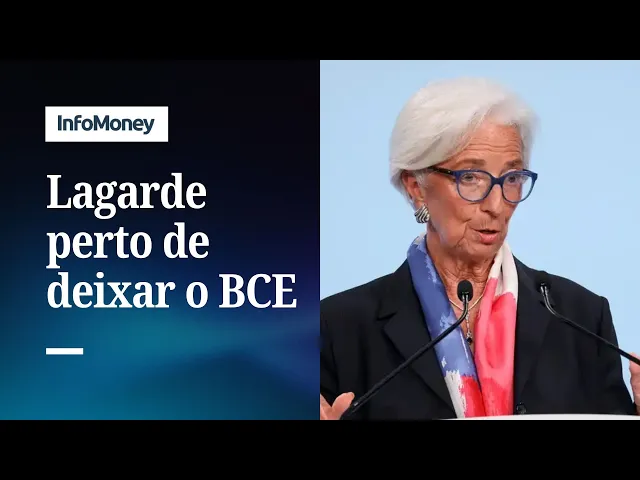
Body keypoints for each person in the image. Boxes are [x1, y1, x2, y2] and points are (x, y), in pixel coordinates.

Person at [320, 77, 640, 420]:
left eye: (512, 178)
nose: (497, 205)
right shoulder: (338, 328)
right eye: (471, 177)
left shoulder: (581, 316)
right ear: (416, 187)